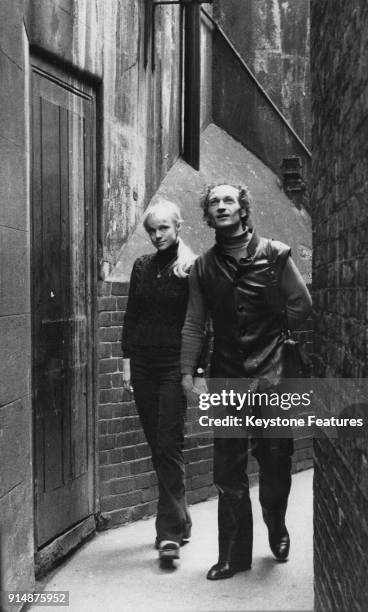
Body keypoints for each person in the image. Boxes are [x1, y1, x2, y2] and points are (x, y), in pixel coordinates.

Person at [181, 183, 312, 580]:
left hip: (272, 374)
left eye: (228, 200)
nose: (221, 206)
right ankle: (233, 556)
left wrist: (273, 331)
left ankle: (277, 524)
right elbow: (193, 323)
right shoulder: (203, 267)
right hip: (227, 377)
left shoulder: (274, 254)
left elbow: (301, 304)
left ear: (242, 210)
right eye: (214, 202)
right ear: (208, 215)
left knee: (275, 459)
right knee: (227, 468)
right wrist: (188, 373)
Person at [122, 200, 205, 564]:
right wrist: (126, 364)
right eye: (152, 230)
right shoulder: (141, 266)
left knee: (169, 443)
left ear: (178, 227)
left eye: (164, 229)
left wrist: (197, 371)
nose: (157, 235)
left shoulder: (191, 267)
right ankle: (182, 520)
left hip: (175, 365)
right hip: (142, 364)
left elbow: (202, 324)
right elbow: (132, 316)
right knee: (158, 444)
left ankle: (168, 533)